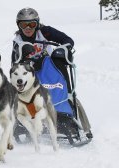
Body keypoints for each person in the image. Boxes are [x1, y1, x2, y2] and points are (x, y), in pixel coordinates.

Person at [11, 7, 93, 144]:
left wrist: (64, 48)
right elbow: (14, 63)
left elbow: (67, 40)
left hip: (49, 69)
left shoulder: (45, 32)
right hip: (30, 74)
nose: (28, 28)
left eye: (32, 24)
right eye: (23, 24)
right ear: (18, 25)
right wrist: (24, 56)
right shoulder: (18, 41)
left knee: (63, 84)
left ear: (37, 24)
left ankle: (72, 118)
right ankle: (24, 121)